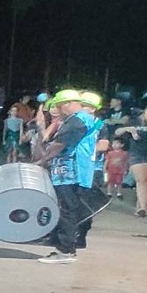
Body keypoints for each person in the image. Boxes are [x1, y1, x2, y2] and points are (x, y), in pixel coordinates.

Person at [29, 90, 100, 264]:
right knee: (70, 208)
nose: (59, 111)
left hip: (70, 172)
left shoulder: (76, 121)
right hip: (77, 171)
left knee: (68, 209)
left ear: (68, 103)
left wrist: (43, 160)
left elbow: (59, 145)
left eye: (60, 107)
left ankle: (66, 250)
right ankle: (66, 247)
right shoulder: (84, 120)